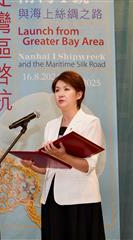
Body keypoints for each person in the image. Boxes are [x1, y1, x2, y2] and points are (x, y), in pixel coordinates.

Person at [21, 71, 106, 240]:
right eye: (57, 90)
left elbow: (88, 166)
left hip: (79, 200)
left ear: (79, 94)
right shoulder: (50, 126)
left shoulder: (91, 122)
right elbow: (52, 167)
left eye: (66, 89)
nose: (60, 94)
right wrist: (34, 165)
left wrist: (63, 156)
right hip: (51, 198)